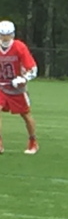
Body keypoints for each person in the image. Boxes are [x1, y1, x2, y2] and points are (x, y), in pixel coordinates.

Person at [0, 20, 40, 154]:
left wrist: (22, 78)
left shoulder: (19, 47)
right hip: (1, 86)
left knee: (26, 114)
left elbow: (33, 69)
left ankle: (33, 141)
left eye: (7, 35)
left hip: (16, 88)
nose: (5, 38)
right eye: (2, 35)